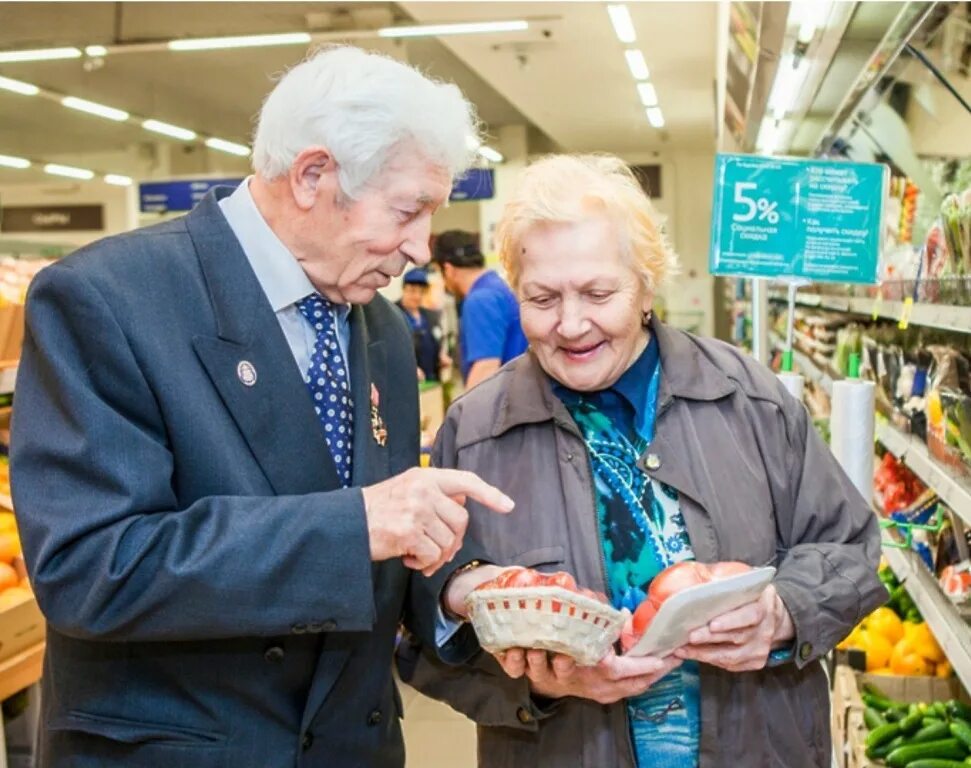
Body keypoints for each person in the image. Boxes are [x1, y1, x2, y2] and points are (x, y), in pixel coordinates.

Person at [10, 45, 515, 768]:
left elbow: (378, 547)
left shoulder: (375, 323)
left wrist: (461, 586)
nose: (419, 248)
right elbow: (90, 567)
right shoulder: (109, 298)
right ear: (312, 175)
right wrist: (356, 525)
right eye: (407, 211)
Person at [398, 155, 885, 768]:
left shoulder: (749, 400)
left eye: (599, 293)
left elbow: (850, 548)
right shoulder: (474, 434)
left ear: (647, 284)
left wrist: (783, 613)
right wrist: (536, 685)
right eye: (542, 298)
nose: (571, 325)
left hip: (761, 745)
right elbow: (420, 628)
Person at [434, 229, 528, 389]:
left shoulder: (480, 299)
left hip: (505, 405)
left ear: (448, 269)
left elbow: (485, 368)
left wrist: (465, 413)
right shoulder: (499, 288)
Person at [396, 267, 449, 382]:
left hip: (432, 380)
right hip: (408, 382)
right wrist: (408, 368)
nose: (417, 296)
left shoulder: (430, 316)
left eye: (421, 292)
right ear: (404, 290)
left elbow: (437, 339)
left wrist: (441, 356)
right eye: (413, 290)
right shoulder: (394, 315)